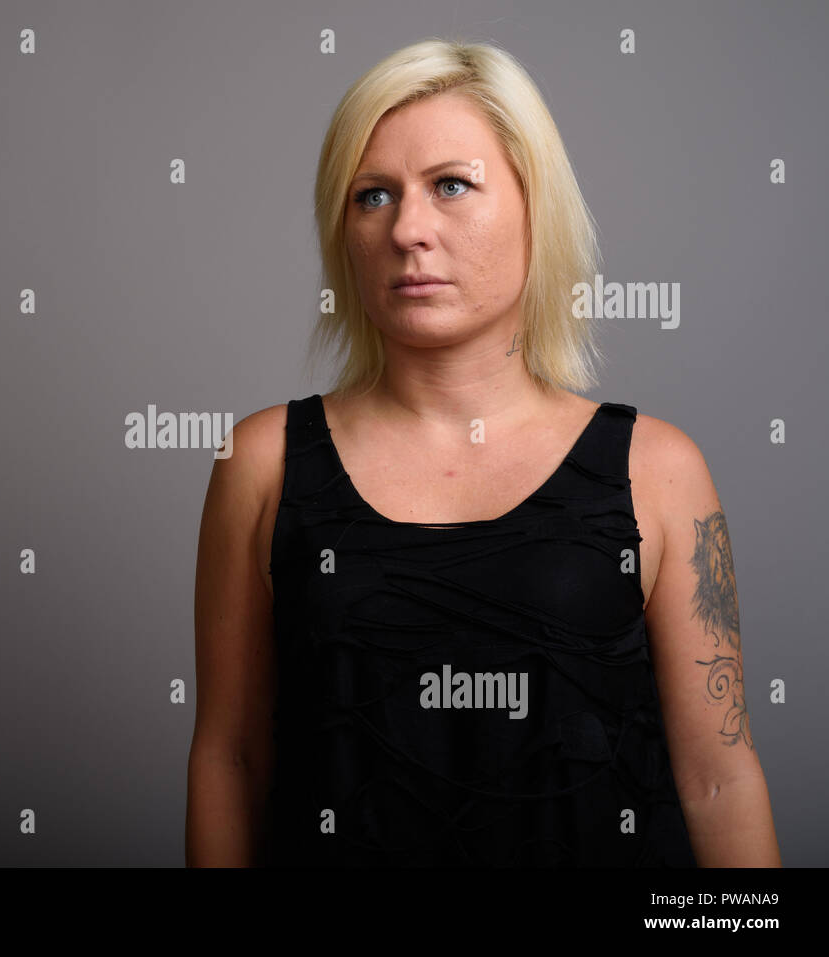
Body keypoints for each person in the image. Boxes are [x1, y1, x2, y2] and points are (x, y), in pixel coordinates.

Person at [186, 38, 780, 867]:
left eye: (452, 185)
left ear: (538, 207)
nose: (407, 229)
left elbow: (719, 777)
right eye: (373, 195)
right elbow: (231, 757)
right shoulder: (262, 463)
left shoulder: (658, 468)